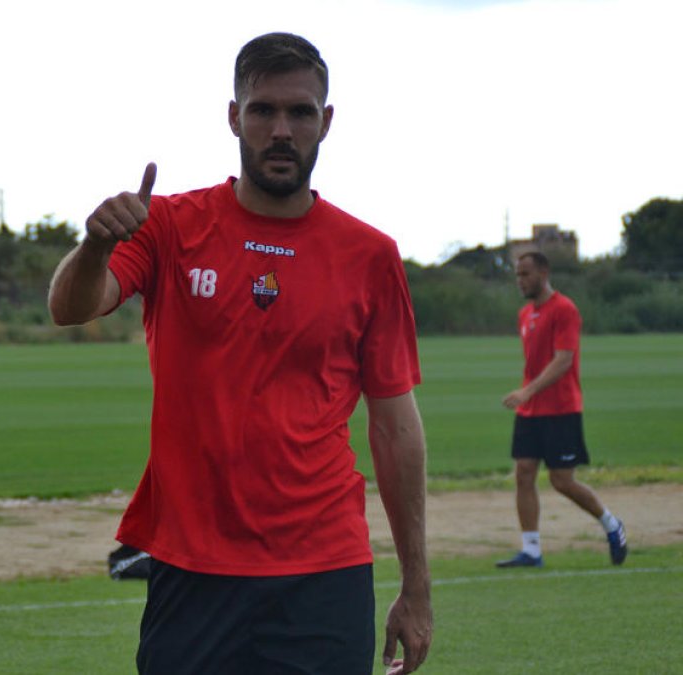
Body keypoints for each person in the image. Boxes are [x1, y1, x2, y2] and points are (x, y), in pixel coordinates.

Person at [48, 32, 432, 675]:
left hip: (324, 568)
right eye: (263, 110)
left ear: (326, 123)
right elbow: (71, 306)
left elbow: (395, 426)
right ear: (234, 117)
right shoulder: (169, 224)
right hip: (193, 566)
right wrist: (94, 246)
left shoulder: (370, 255)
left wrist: (416, 586)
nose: (281, 130)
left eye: (300, 112)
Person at [497, 251, 627, 568]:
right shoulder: (525, 314)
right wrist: (528, 395)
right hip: (530, 411)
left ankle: (612, 524)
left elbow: (563, 359)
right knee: (524, 475)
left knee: (562, 480)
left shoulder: (565, 309)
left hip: (561, 409)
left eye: (526, 274)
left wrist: (527, 390)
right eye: (517, 274)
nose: (520, 280)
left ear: (544, 272)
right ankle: (531, 550)